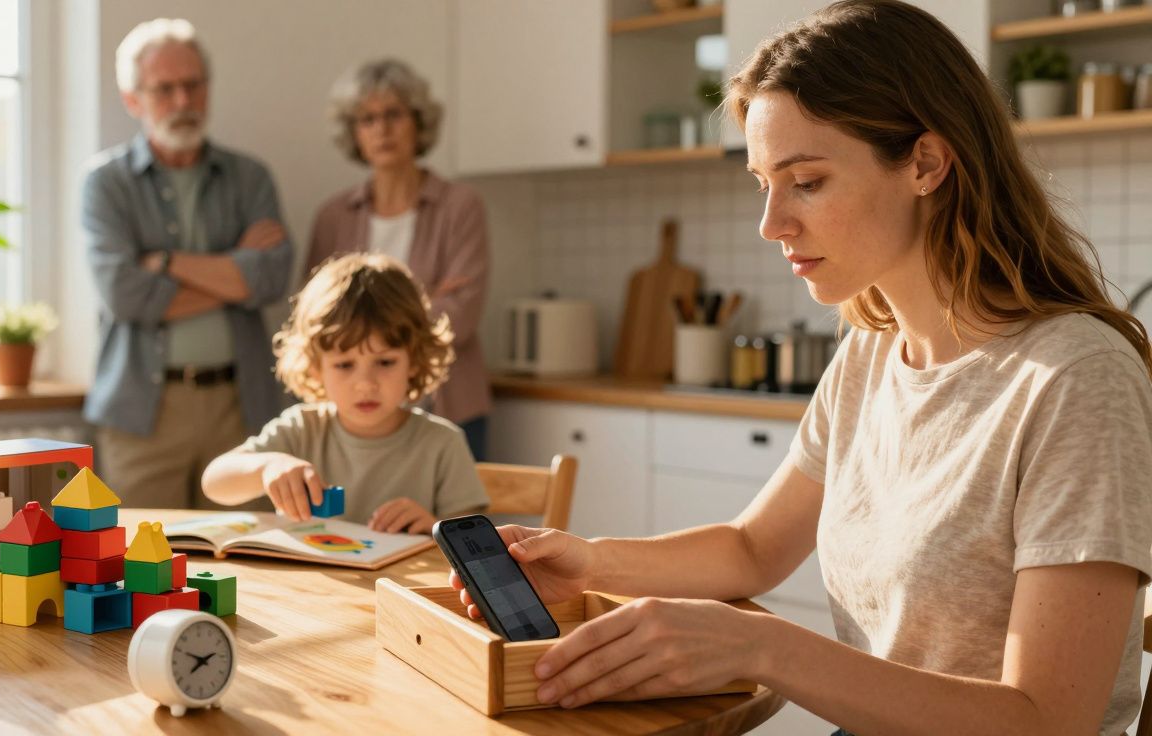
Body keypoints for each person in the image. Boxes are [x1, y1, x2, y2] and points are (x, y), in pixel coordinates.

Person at [448, 2, 1152, 734]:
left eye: (806, 181)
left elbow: (1047, 721)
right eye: (764, 183)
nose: (771, 223)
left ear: (926, 163)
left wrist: (760, 645)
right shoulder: (873, 352)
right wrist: (590, 562)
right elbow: (753, 549)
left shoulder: (1075, 378)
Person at [81, 18, 293, 509]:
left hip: (240, 406)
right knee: (139, 564)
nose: (182, 101)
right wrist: (233, 273)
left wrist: (166, 262)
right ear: (133, 99)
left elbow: (270, 280)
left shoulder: (250, 178)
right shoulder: (106, 183)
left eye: (193, 85)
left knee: (246, 562)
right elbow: (125, 295)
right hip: (142, 413)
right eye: (165, 88)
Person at [201, 253, 488, 533]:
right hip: (311, 581)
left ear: (413, 360)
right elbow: (214, 482)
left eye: (385, 362)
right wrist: (266, 467)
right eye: (344, 365)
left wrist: (433, 528)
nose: (365, 383)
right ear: (316, 367)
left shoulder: (443, 443)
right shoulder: (302, 429)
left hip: (398, 581)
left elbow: (473, 542)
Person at [306, 59, 493, 460]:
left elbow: (460, 314)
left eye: (394, 114)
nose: (382, 129)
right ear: (353, 133)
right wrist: (423, 304)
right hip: (354, 413)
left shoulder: (460, 206)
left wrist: (363, 324)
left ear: (418, 122)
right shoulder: (333, 216)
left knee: (452, 520)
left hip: (448, 404)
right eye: (367, 119)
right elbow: (318, 319)